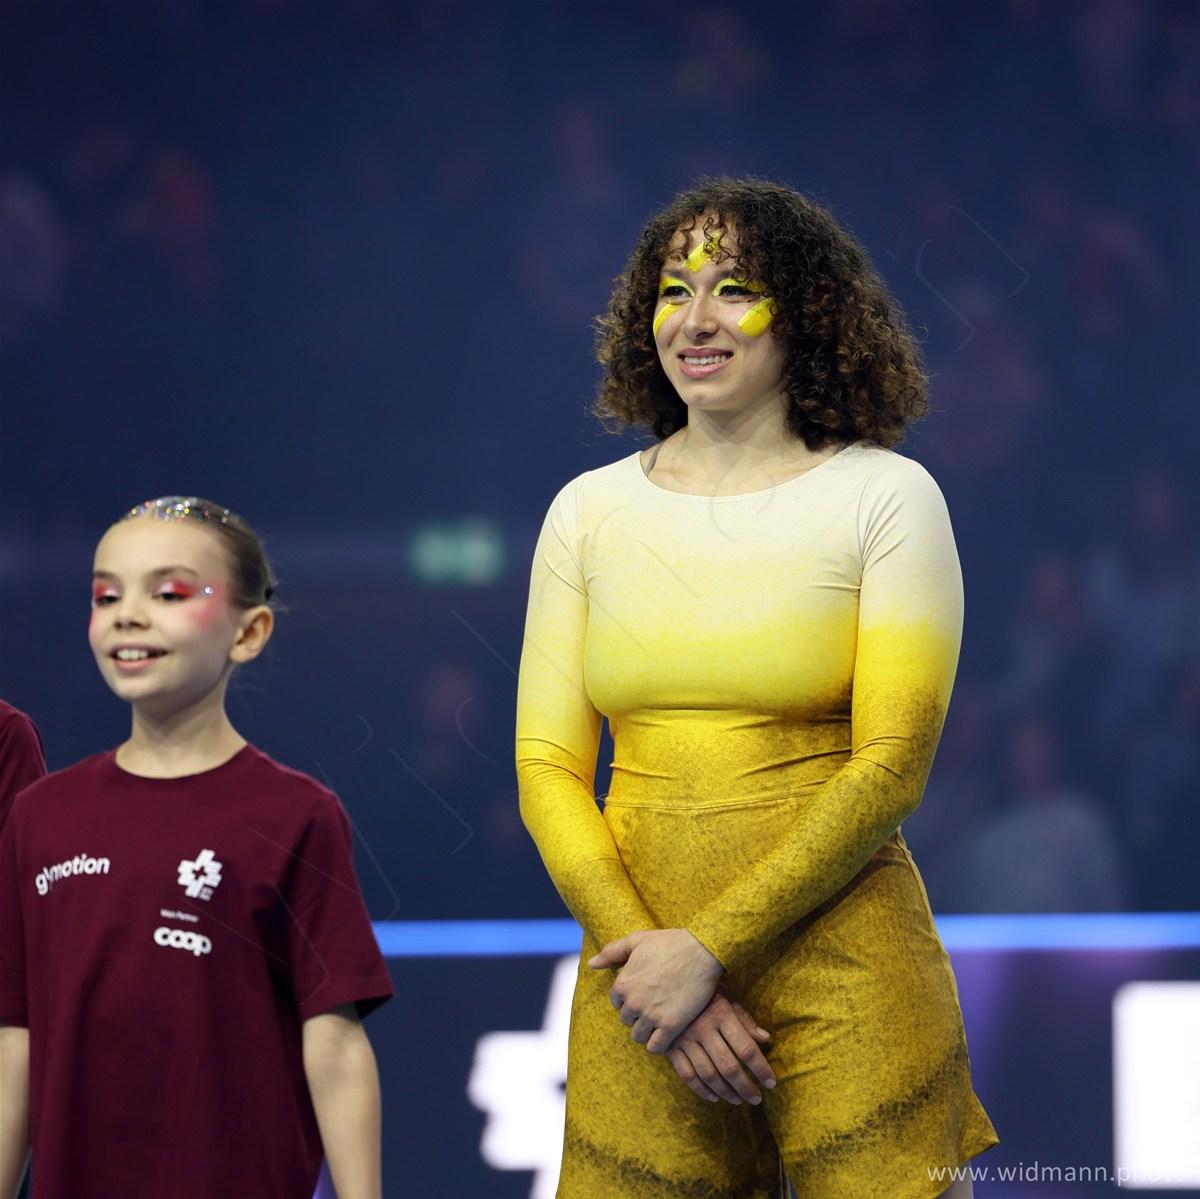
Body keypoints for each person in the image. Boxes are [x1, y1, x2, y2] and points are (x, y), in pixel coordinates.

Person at [515, 178, 997, 1198]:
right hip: (640, 973)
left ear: (809, 312)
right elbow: (547, 768)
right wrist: (656, 967)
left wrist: (707, 951)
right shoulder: (586, 512)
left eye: (735, 288)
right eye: (673, 290)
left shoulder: (887, 496)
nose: (696, 319)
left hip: (847, 965)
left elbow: (893, 766)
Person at [0, 497, 392, 1199]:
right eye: (106, 595)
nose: (128, 614)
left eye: (170, 593)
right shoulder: (39, 816)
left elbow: (333, 1040)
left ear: (250, 631)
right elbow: (15, 1039)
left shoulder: (295, 815)